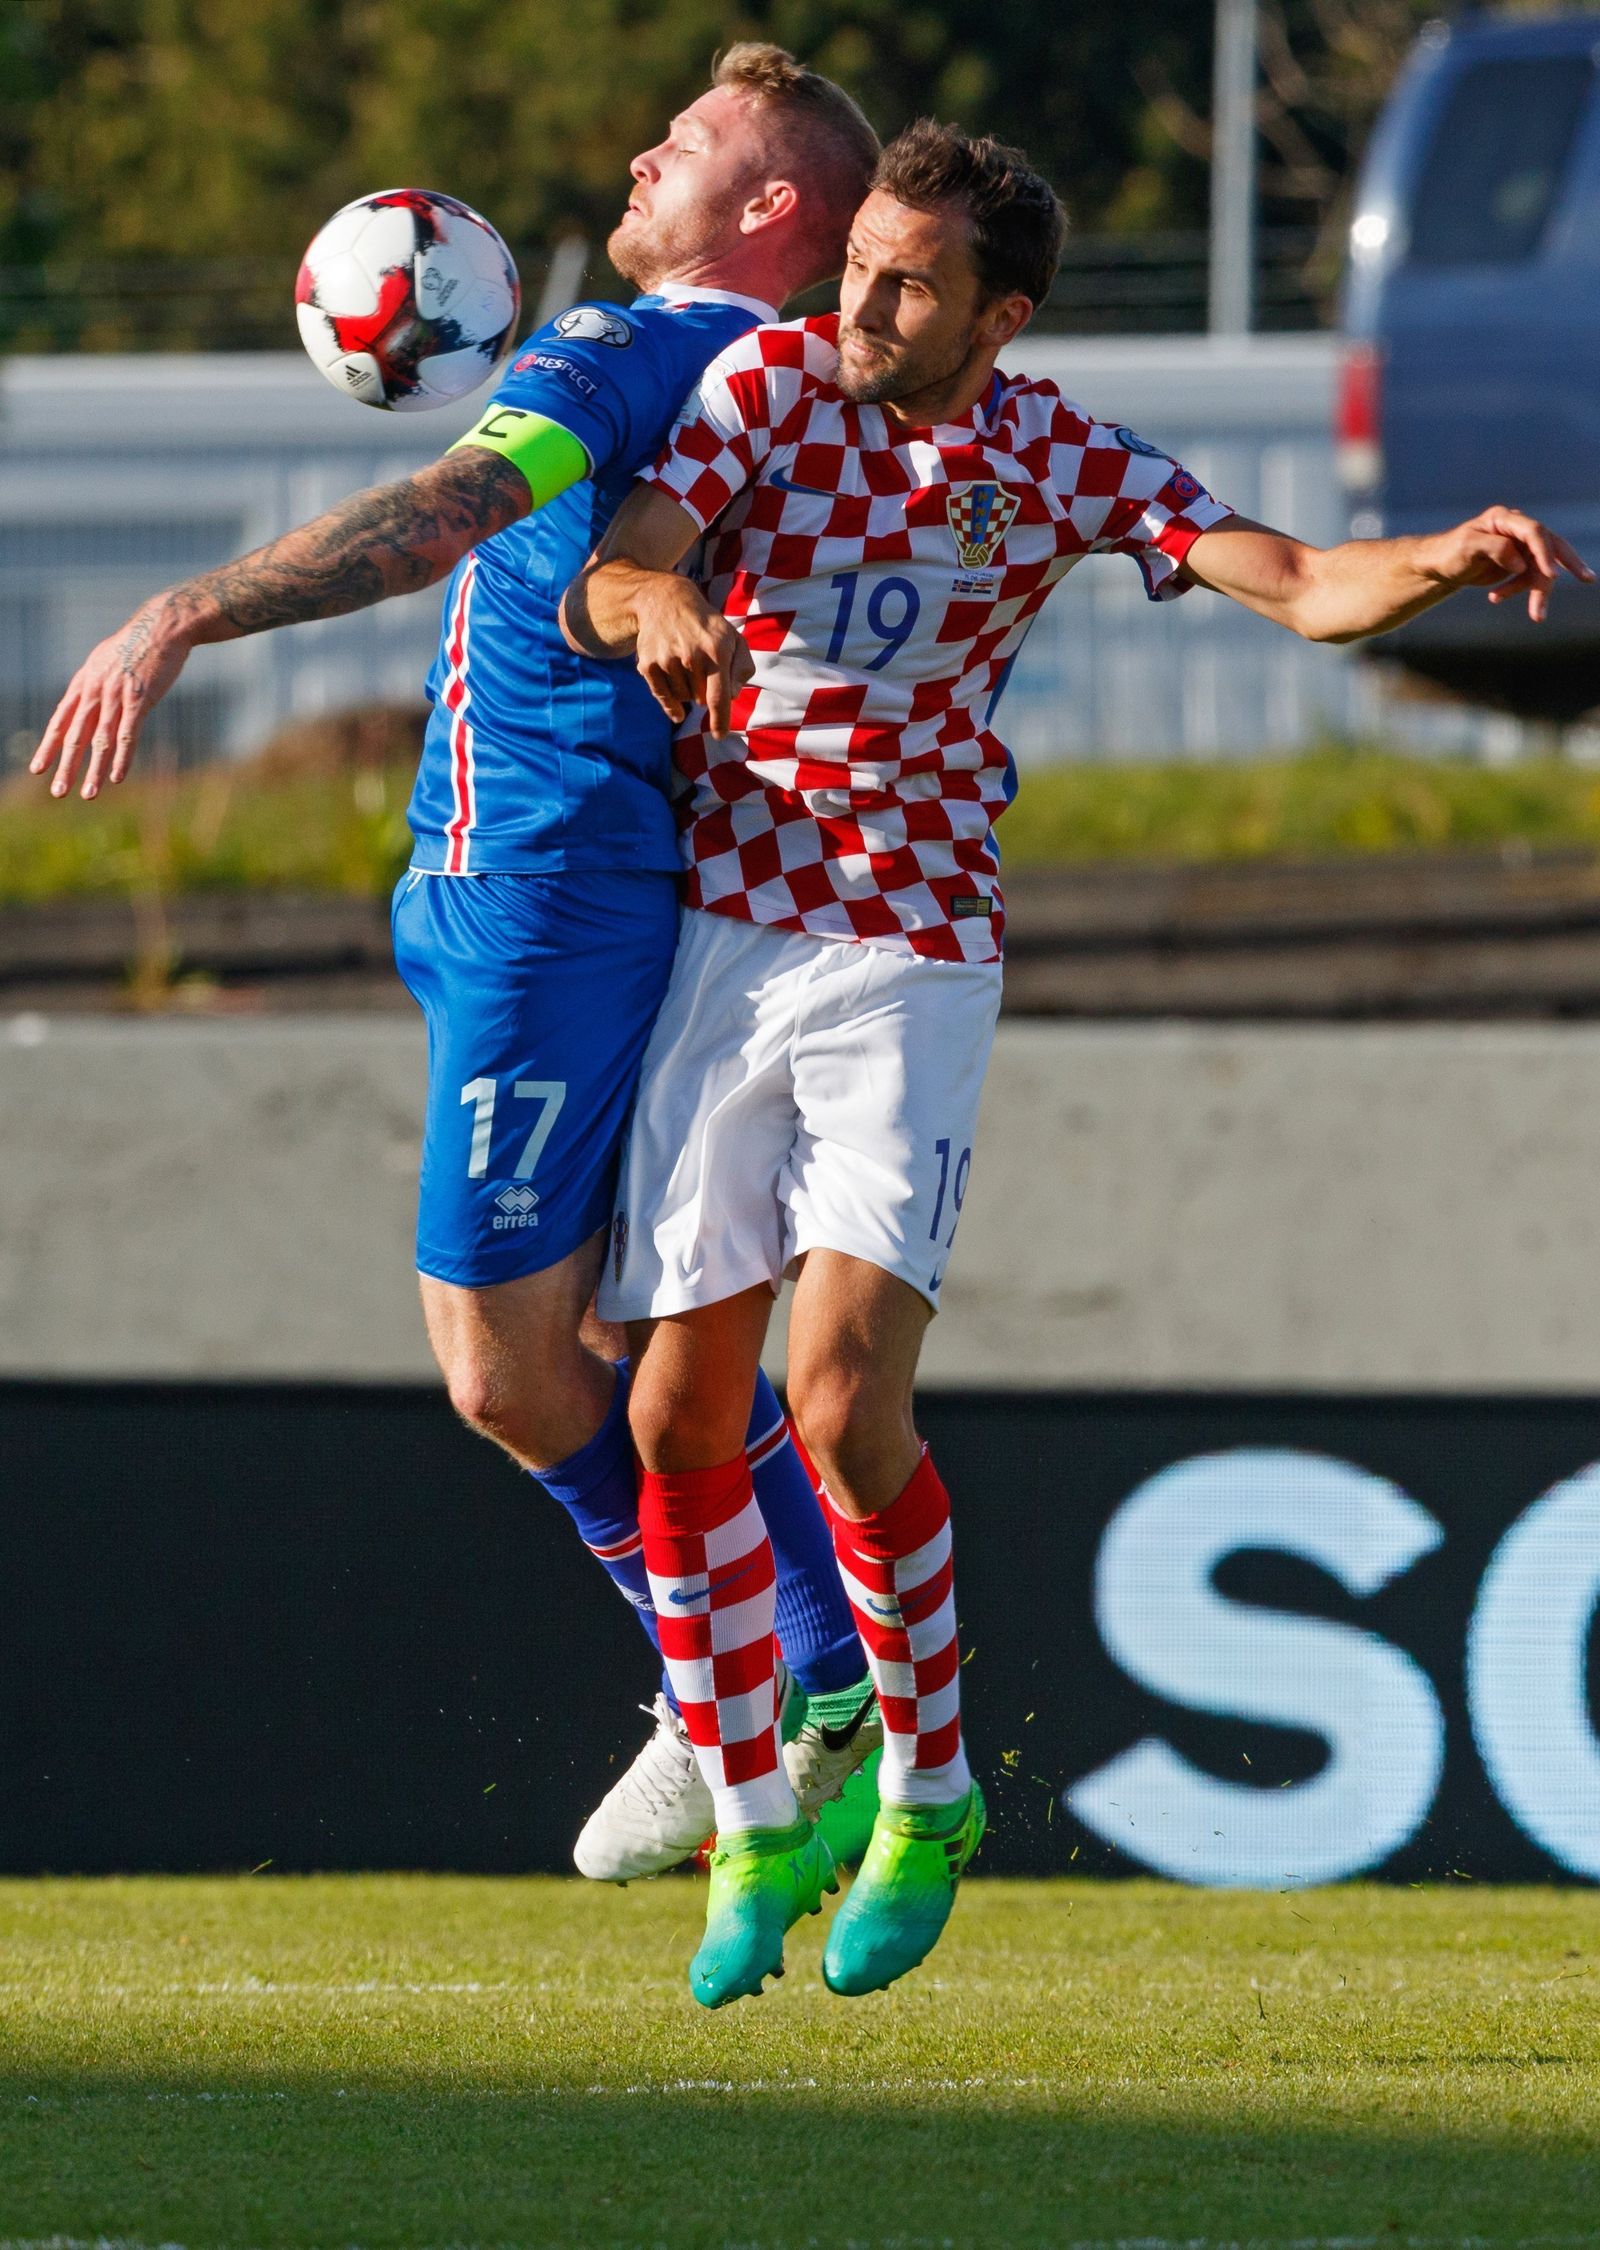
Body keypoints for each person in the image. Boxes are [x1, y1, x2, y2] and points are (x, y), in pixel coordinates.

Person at [562, 117, 1592, 2006]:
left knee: (845, 1394)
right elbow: (616, 572)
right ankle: (752, 1820)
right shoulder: (767, 389)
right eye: (859, 260)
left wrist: (1439, 556)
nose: (860, 301)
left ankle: (930, 1796)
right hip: (728, 936)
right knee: (669, 1422)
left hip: (909, 951)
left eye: (907, 284)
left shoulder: (1052, 460)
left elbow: (1289, 574)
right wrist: (662, 607)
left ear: (997, 315)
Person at [28, 45, 888, 1881]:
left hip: (548, 884)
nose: (645, 150)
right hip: (515, 877)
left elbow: (443, 520)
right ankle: (788, 1667)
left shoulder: (628, 350)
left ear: (770, 212)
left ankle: (778, 1679)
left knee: (510, 1371)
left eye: (693, 142)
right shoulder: (771, 378)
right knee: (581, 1338)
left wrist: (184, 607)